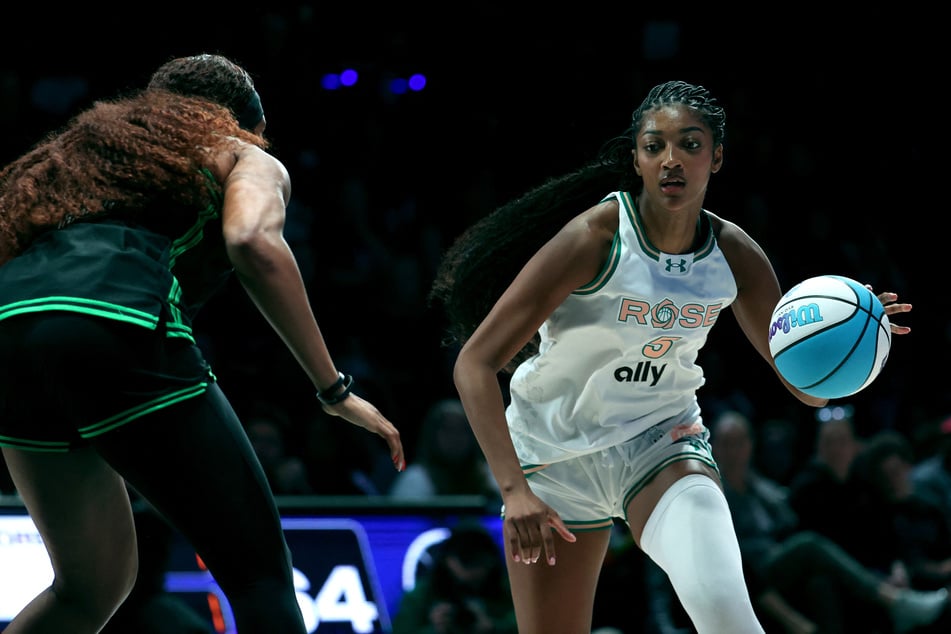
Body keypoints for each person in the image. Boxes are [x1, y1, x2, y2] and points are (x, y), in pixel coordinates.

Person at [428, 79, 913, 634]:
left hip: (659, 442)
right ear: (636, 159)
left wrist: (858, 345)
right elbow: (474, 363)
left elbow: (807, 388)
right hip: (554, 457)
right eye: (654, 146)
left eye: (690, 143)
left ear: (717, 156)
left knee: (726, 613)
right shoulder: (594, 237)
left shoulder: (735, 255)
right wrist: (513, 491)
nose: (671, 160)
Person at [0, 53, 405, 634]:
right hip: (112, 324)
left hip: (8, 336)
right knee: (259, 575)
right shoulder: (241, 152)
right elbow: (252, 243)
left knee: (89, 587)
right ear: (246, 121)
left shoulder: (70, 162)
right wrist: (333, 388)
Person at [711, 409, 947, 634]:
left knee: (820, 583)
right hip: (752, 572)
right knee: (810, 543)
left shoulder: (763, 489)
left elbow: (882, 536)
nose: (734, 451)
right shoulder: (713, 493)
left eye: (740, 442)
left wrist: (894, 566)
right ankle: (896, 601)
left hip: (791, 562)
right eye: (727, 443)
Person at [392, 522, 518, 634]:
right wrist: (435, 629)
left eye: (480, 561)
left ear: (492, 561)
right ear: (448, 560)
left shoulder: (511, 591)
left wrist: (493, 628)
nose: (473, 572)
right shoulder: (421, 596)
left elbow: (529, 624)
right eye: (466, 561)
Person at [389, 397, 501, 506]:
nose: (455, 437)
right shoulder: (415, 480)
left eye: (462, 430)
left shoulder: (490, 477)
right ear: (432, 436)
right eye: (448, 430)